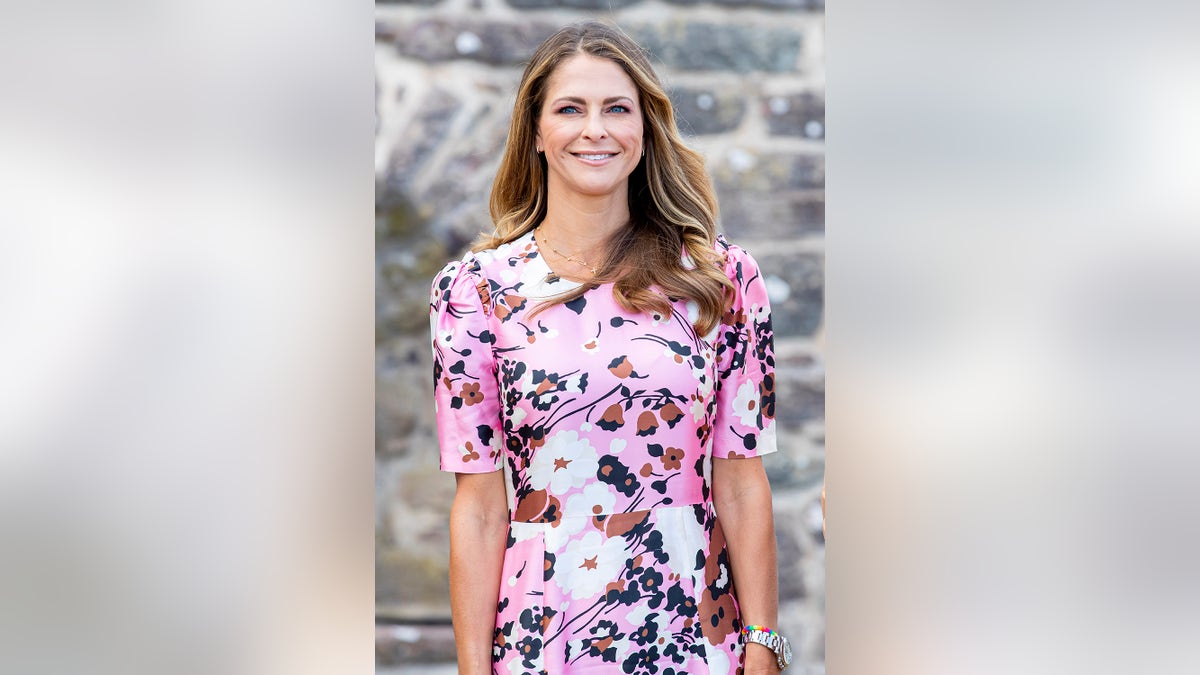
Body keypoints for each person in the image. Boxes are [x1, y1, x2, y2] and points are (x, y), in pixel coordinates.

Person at [430, 20, 790, 675]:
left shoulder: (723, 281)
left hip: (690, 630)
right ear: (536, 133)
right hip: (542, 636)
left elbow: (741, 484)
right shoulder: (474, 290)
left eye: (616, 109)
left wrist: (763, 644)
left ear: (644, 130)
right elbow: (479, 507)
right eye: (571, 109)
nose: (595, 129)